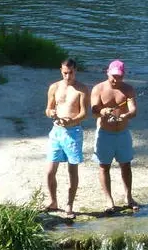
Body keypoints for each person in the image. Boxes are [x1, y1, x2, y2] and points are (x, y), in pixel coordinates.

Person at [90, 60, 140, 212]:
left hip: (122, 133)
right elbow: (94, 110)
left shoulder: (128, 90)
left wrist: (126, 115)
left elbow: (133, 110)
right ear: (107, 73)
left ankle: (128, 197)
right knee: (104, 166)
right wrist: (102, 111)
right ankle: (109, 200)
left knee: (126, 165)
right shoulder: (98, 88)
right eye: (113, 76)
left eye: (118, 76)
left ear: (123, 75)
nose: (115, 79)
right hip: (105, 133)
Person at [45, 58, 90, 219]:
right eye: (65, 73)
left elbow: (84, 113)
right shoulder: (54, 87)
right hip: (56, 131)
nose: (68, 76)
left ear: (75, 71)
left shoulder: (82, 89)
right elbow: (48, 108)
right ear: (61, 70)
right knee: (50, 171)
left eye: (70, 73)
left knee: (72, 170)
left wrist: (72, 120)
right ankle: (53, 201)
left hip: (73, 132)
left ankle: (69, 205)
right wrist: (51, 113)